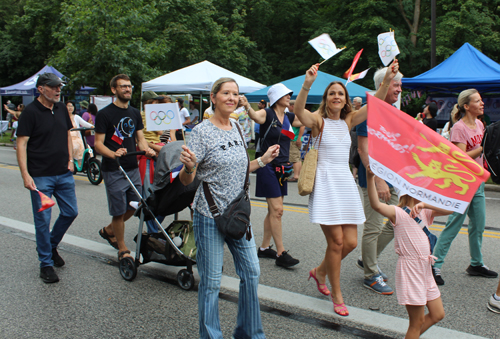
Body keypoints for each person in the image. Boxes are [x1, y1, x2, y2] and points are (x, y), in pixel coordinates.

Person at [293, 60, 399, 316]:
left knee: (350, 243)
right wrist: (307, 85)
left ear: (345, 99)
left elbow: (378, 103)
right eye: (332, 93)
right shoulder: (318, 121)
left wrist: (387, 79)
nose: (336, 97)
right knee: (337, 242)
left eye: (340, 93)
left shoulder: (349, 120)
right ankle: (337, 295)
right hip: (325, 185)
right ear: (326, 99)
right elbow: (299, 112)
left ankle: (319, 272)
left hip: (344, 183)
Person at [179, 77, 279, 339]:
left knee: (252, 272)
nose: (232, 98)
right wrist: (189, 167)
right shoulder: (200, 132)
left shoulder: (237, 126)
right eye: (226, 93)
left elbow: (239, 167)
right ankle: (211, 335)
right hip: (209, 215)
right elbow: (187, 179)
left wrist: (262, 160)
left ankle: (248, 333)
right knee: (211, 282)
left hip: (237, 215)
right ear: (214, 97)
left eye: (235, 94)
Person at [366, 166, 446, 339]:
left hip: (425, 268)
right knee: (415, 323)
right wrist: (370, 177)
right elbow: (376, 205)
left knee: (437, 313)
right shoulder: (398, 212)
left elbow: (451, 209)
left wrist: (424, 204)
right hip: (410, 269)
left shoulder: (425, 211)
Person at [16, 73, 79, 283]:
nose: (58, 90)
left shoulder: (61, 108)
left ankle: (51, 245)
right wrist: (25, 174)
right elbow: (22, 144)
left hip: (63, 173)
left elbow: (68, 135)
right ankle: (46, 264)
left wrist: (70, 160)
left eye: (59, 87)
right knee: (43, 220)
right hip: (41, 177)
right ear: (41, 89)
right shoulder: (30, 113)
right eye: (53, 87)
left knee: (71, 212)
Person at [432, 89, 498, 285]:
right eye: (477, 101)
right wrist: (484, 147)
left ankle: (476, 264)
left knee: (478, 225)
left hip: (478, 182)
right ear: (467, 106)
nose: (482, 103)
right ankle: (434, 265)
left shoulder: (479, 123)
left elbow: (483, 152)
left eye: (481, 100)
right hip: (463, 183)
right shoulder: (459, 128)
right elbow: (460, 157)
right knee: (454, 225)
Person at [94, 74, 155, 261]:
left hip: (132, 167)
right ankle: (122, 247)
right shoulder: (104, 114)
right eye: (123, 87)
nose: (127, 89)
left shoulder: (135, 113)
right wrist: (113, 154)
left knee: (136, 205)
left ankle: (110, 229)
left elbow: (140, 138)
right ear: (114, 90)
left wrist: (147, 150)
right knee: (118, 211)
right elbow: (98, 143)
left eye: (129, 86)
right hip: (113, 168)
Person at [356, 63, 404, 295]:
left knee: (398, 223)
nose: (399, 89)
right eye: (395, 84)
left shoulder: (394, 111)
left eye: (400, 85)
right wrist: (378, 180)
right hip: (374, 178)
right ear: (382, 86)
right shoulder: (370, 109)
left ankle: (369, 259)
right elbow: (363, 149)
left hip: (393, 177)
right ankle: (370, 274)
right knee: (374, 227)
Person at [245, 83, 303, 268]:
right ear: (277, 97)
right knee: (278, 211)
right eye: (286, 94)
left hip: (282, 167)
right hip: (267, 165)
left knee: (273, 210)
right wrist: (247, 106)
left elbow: (308, 121)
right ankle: (281, 253)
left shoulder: (288, 117)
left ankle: (263, 248)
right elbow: (255, 116)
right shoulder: (267, 113)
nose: (289, 97)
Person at [67, 100, 94, 167]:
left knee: (87, 147)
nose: (70, 108)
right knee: (74, 146)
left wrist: (92, 126)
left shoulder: (76, 117)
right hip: (69, 139)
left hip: (78, 139)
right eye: (68, 106)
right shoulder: (64, 117)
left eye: (72, 106)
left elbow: (84, 123)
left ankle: (86, 163)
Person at [287, 99, 304, 181]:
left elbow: (302, 126)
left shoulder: (296, 115)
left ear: (292, 106)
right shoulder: (296, 114)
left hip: (294, 138)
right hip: (294, 137)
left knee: (294, 158)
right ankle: (299, 174)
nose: (287, 106)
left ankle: (296, 176)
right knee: (297, 157)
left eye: (289, 105)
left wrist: (299, 138)